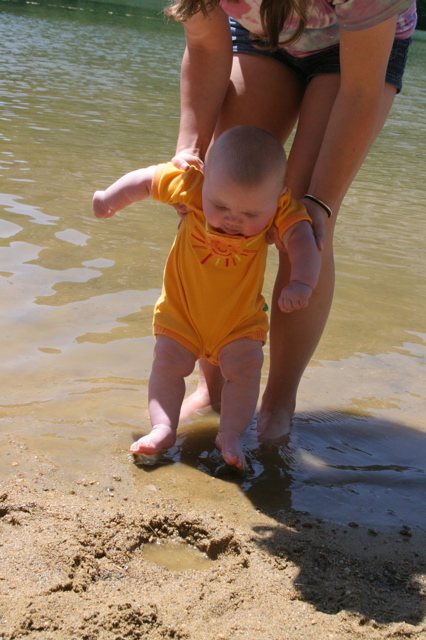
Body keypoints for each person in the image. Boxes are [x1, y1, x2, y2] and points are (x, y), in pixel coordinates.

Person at [166, 0, 417, 439]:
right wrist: (190, 150)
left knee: (303, 221)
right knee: (216, 203)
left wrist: (322, 200)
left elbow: (360, 92)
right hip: (264, 34)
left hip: (355, 49)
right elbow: (206, 46)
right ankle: (216, 387)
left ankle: (279, 401)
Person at [93, 126, 321, 470]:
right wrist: (110, 199)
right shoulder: (192, 185)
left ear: (279, 197)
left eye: (250, 215)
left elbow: (304, 239)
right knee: (167, 367)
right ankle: (163, 427)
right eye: (220, 206)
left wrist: (301, 282)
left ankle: (230, 434)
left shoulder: (281, 208)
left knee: (245, 372)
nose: (233, 220)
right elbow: (145, 181)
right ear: (205, 179)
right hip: (181, 315)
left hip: (239, 324)